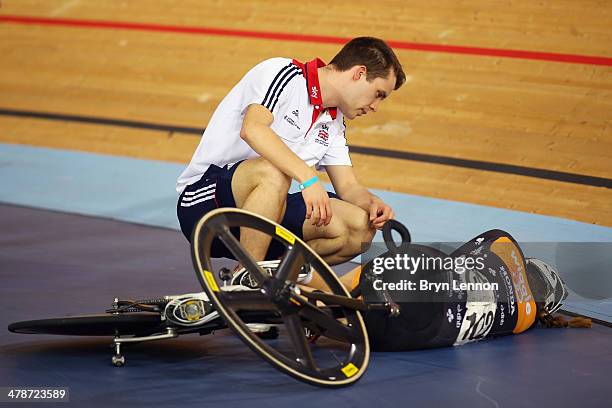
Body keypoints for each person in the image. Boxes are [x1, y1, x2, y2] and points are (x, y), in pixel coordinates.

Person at [176, 37, 405, 267]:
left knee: (359, 226)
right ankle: (250, 278)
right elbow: (253, 129)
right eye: (378, 94)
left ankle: (274, 280)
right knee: (273, 173)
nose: (376, 107)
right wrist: (308, 177)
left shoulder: (334, 122)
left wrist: (372, 204)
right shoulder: (284, 73)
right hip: (205, 205)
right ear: (359, 73)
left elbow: (348, 187)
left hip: (266, 210)